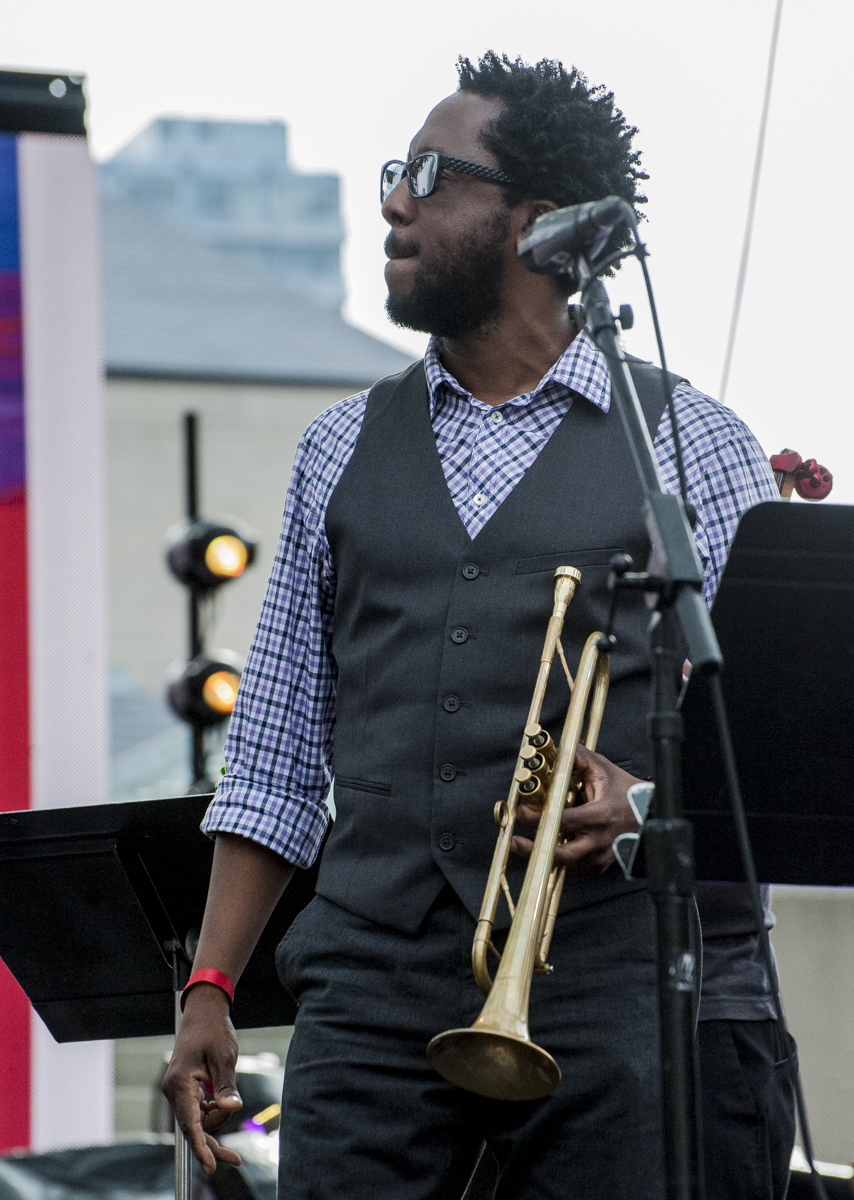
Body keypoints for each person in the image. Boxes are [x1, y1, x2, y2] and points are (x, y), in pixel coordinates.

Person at [164, 52, 793, 1200]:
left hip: (609, 987)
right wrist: (209, 983)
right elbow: (271, 759)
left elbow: (774, 748)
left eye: (428, 174)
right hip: (368, 990)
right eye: (393, 172)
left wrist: (643, 801)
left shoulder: (689, 442)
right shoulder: (337, 448)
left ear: (538, 226)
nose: (393, 200)